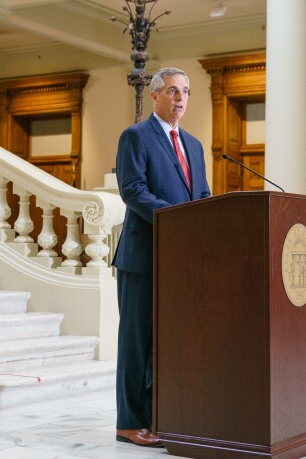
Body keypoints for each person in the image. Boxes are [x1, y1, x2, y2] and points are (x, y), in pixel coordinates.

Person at [112, 67, 211, 447]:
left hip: (180, 258)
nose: (180, 98)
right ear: (154, 96)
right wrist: (175, 220)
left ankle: (161, 416)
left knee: (169, 343)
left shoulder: (195, 145)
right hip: (142, 258)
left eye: (185, 91)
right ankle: (129, 421)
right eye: (172, 91)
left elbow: (201, 195)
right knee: (137, 342)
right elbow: (133, 190)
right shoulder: (136, 137)